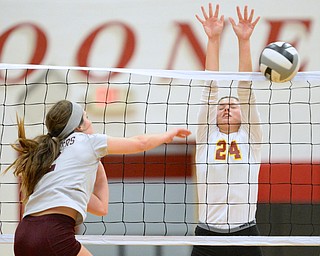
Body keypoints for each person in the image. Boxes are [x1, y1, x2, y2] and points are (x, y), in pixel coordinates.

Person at [5, 99, 191, 256]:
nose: (90, 120)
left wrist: (97, 161)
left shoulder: (50, 155)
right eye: (86, 116)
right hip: (52, 232)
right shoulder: (87, 141)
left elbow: (101, 207)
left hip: (23, 235)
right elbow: (140, 143)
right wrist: (168, 134)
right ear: (78, 126)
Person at [192, 3, 263, 256]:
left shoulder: (251, 137)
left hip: (246, 235)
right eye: (222, 105)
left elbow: (246, 89)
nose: (226, 107)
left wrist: (244, 41)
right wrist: (213, 39)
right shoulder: (206, 137)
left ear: (243, 113)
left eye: (232, 105)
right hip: (208, 237)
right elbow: (210, 89)